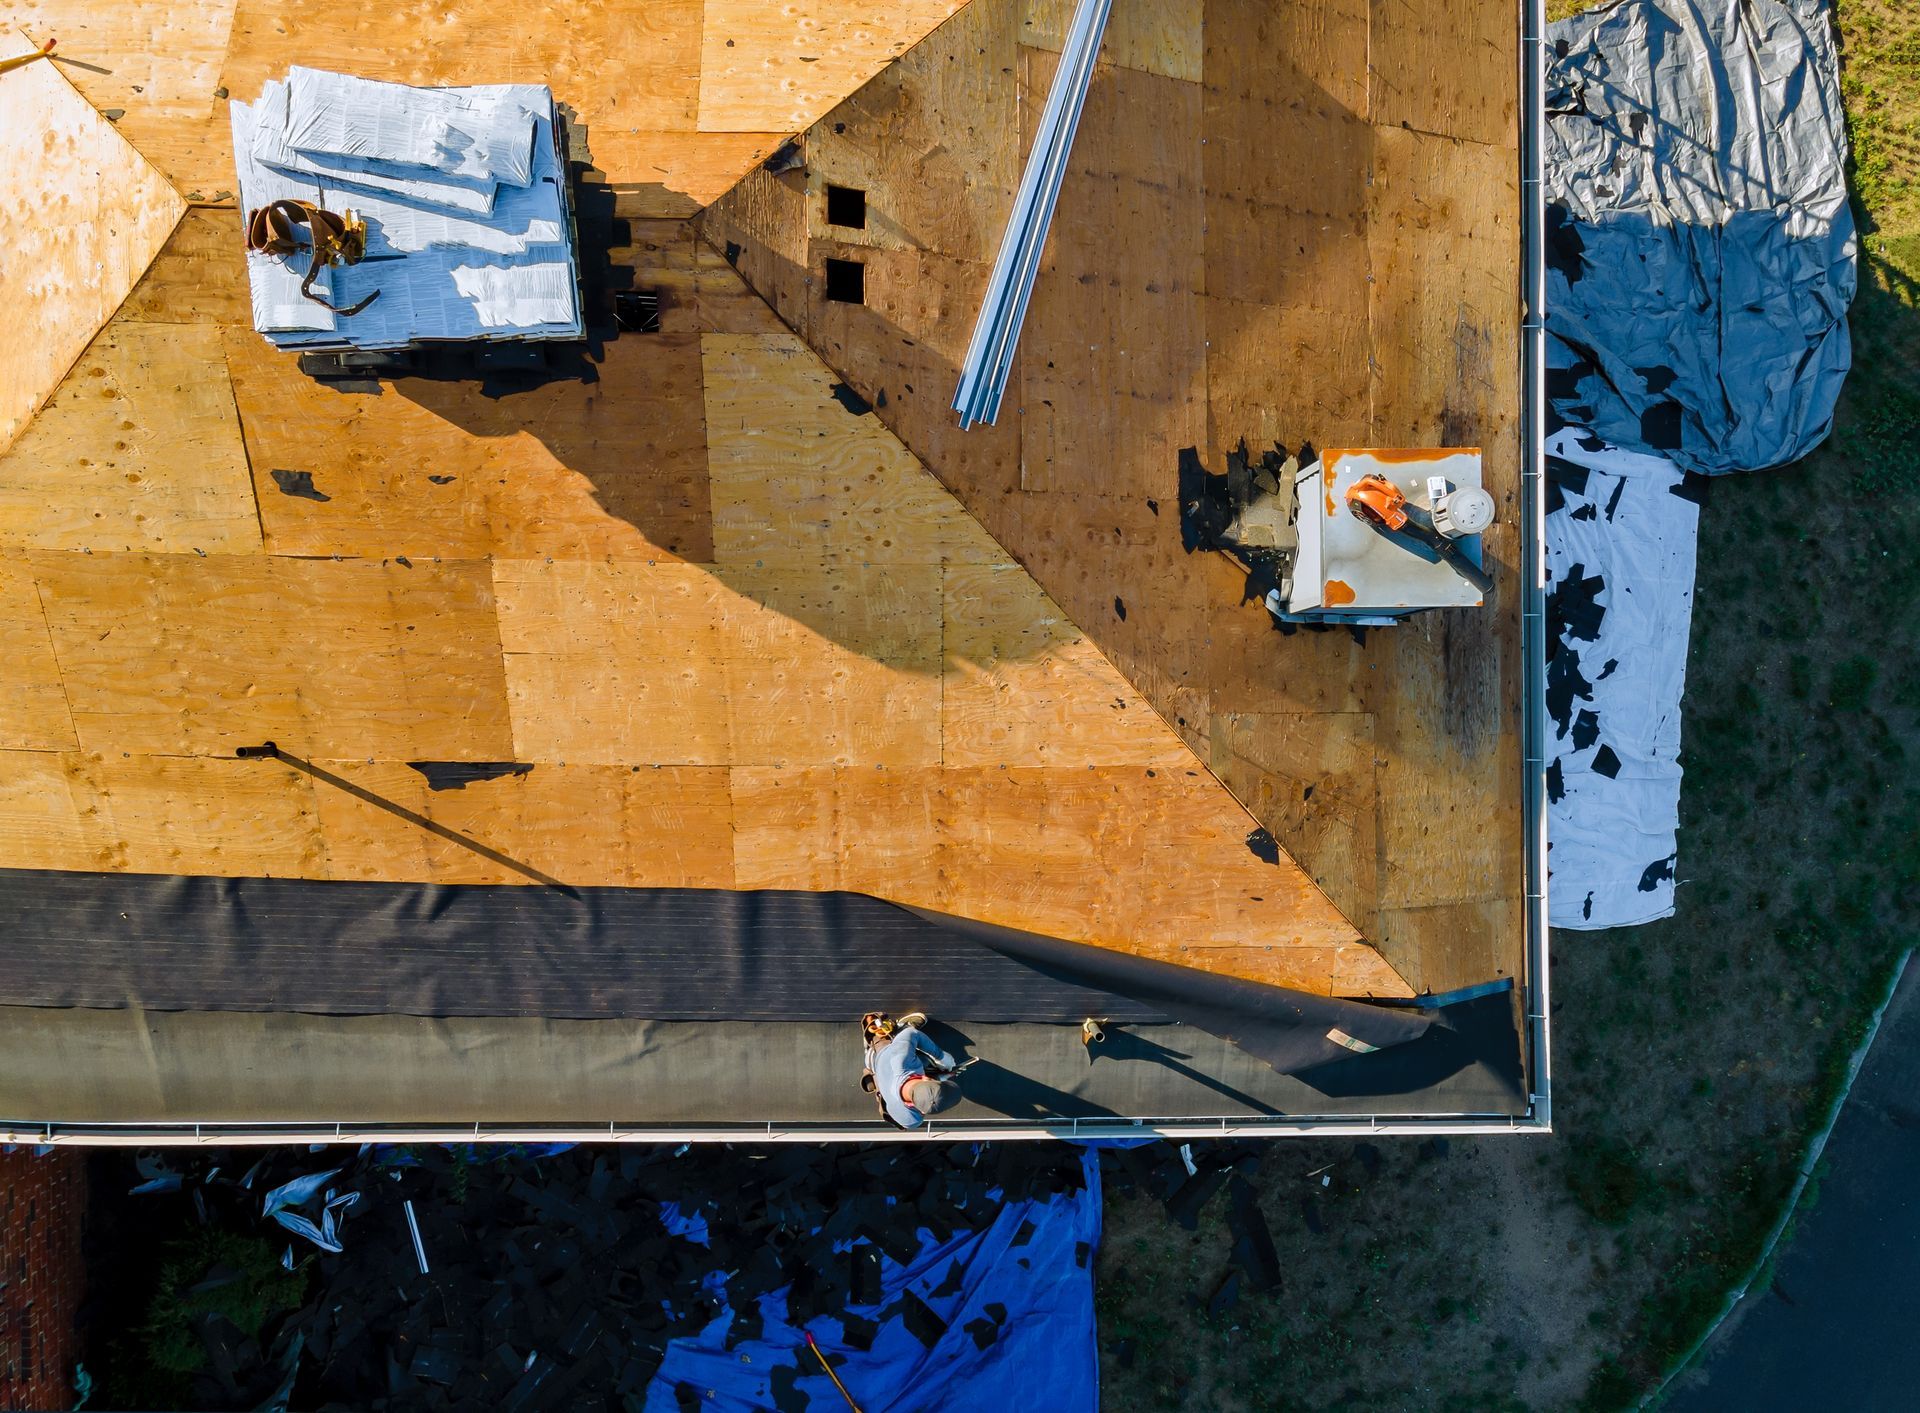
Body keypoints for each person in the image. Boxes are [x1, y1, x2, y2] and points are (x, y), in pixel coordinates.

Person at [861, 1011, 966, 1129]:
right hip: (882, 1077)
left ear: (925, 1078)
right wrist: (938, 1077)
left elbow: (911, 1033)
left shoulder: (902, 1061)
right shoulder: (910, 1120)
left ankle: (900, 1027)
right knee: (925, 1063)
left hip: (879, 1055)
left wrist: (940, 1056)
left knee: (924, 1059)